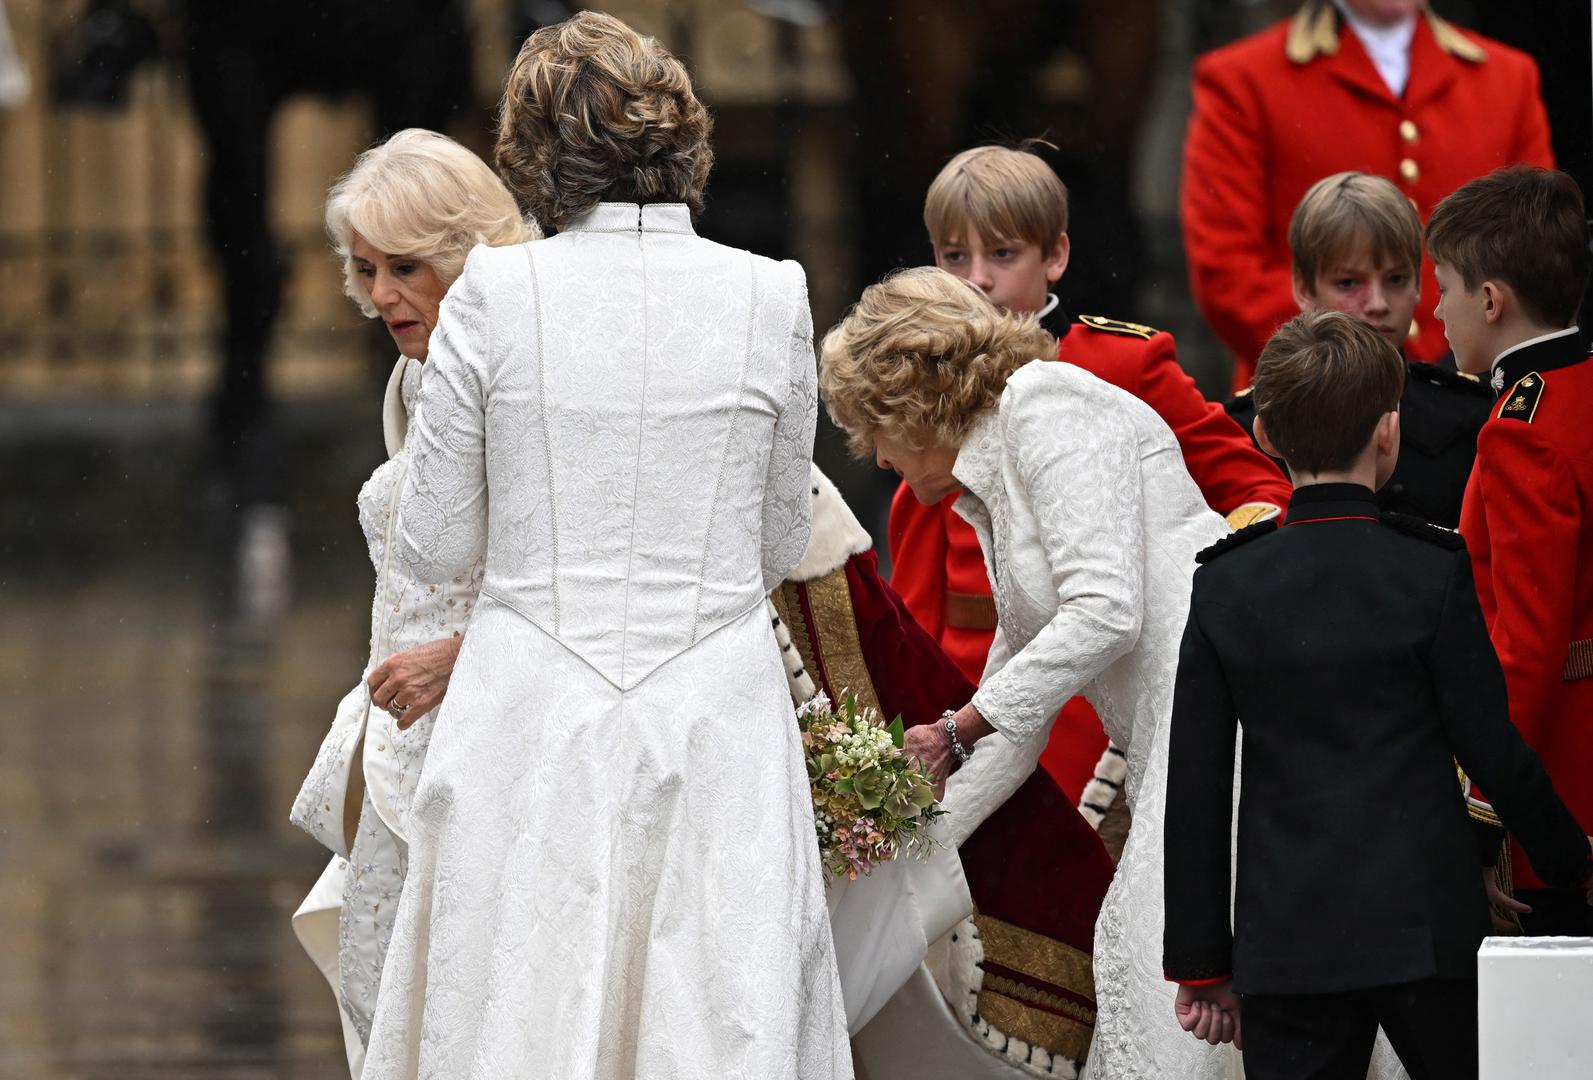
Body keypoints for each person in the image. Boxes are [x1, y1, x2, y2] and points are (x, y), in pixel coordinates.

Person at [360, 14, 849, 1078]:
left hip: (532, 705)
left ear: (534, 155)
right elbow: (774, 539)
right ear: (684, 142)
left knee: (523, 1014)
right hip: (714, 706)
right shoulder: (773, 293)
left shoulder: (495, 290)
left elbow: (437, 540)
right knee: (720, 1015)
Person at [820, 266, 1237, 1078]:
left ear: (911, 400)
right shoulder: (993, 479)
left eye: (871, 427)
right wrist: (909, 848)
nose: (873, 455)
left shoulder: (1049, 404)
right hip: (1174, 752)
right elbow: (1015, 723)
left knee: (1162, 983)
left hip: (1221, 730)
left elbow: (1105, 610)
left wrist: (955, 728)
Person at [1162, 308, 1593, 1079]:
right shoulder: (1428, 569)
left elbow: (1194, 789)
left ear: (1263, 437)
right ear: (1387, 432)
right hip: (1424, 928)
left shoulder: (1225, 586)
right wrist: (1571, 862)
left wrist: (1200, 962)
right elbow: (1489, 743)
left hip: (1288, 941)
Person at [889, 143, 1288, 809]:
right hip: (964, 708)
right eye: (954, 256)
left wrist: (1190, 607)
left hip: (1096, 708)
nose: (976, 279)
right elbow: (920, 567)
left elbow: (1255, 493)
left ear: (1055, 256)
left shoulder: (1120, 364)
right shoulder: (922, 381)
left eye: (1002, 254)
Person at [286, 128, 533, 1077]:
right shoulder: (413, 375)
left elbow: (565, 572)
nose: (383, 294)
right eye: (365, 270)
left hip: (496, 731)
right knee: (385, 989)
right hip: (405, 736)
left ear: (467, 259)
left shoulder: (519, 376)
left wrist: (460, 659)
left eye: (406, 267)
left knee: (475, 999)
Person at [770, 464, 1115, 1077]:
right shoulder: (919, 488)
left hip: (1054, 720)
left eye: (878, 437)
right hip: (962, 710)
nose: (875, 459)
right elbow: (917, 620)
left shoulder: (1110, 377)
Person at [1183, 0, 1555, 391]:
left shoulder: (1509, 78)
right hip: (1311, 398)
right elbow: (1227, 273)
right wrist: (1345, 361)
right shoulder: (1242, 79)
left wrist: (1454, 367)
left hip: (1477, 400)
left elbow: (1537, 256)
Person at [1429, 166, 1593, 935]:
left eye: (1443, 289)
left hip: (1559, 774)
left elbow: (1526, 650)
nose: (1435, 312)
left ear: (1490, 301)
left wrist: (1486, 810)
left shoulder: (1519, 431)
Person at [1226, 171, 1492, 527]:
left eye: (1396, 279)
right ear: (1304, 288)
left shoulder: (1472, 417)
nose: (1377, 303)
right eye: (1349, 282)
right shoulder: (1241, 432)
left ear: (1419, 284)